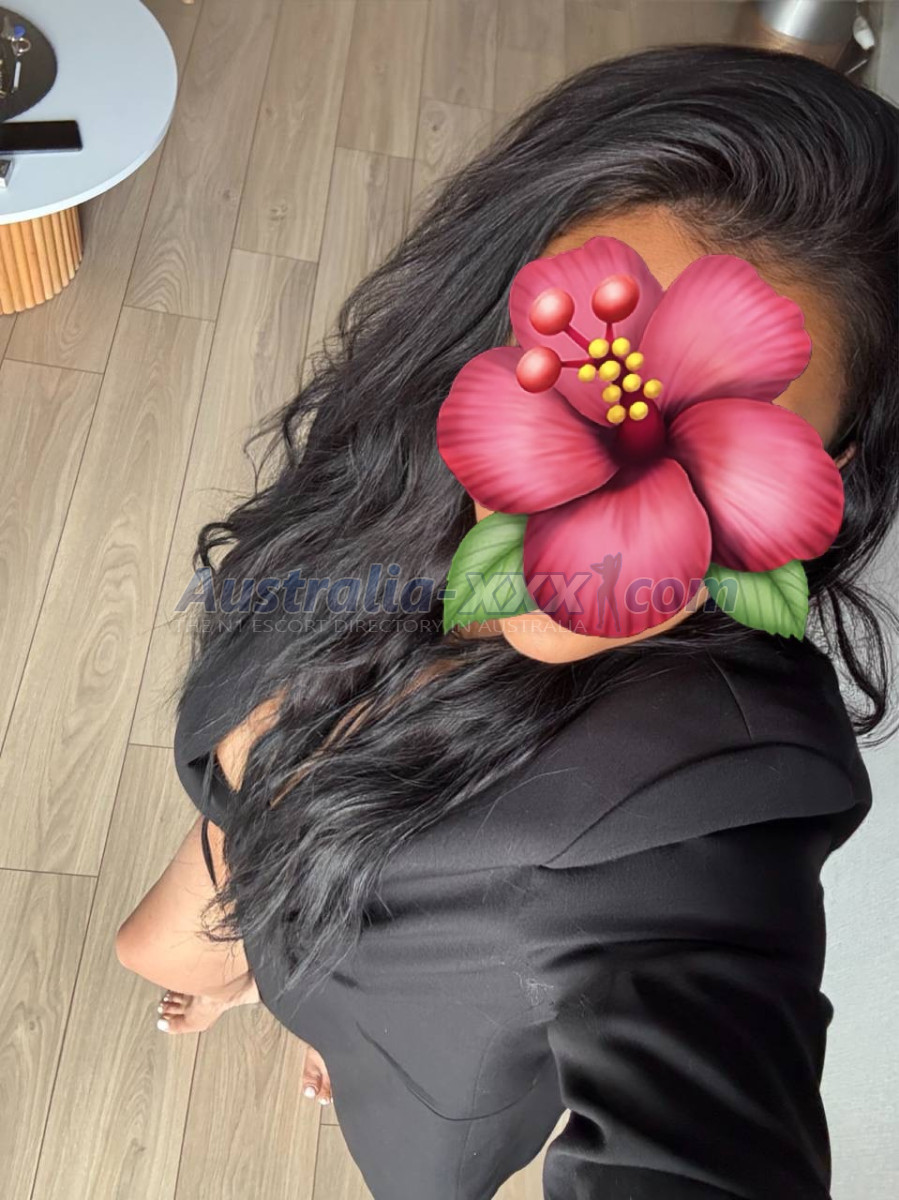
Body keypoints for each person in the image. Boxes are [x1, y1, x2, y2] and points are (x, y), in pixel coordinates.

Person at [115, 44, 898, 1199]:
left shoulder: (711, 811)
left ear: (823, 476)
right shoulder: (400, 454)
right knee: (159, 950)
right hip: (270, 857)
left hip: (418, 1073)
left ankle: (327, 1025)